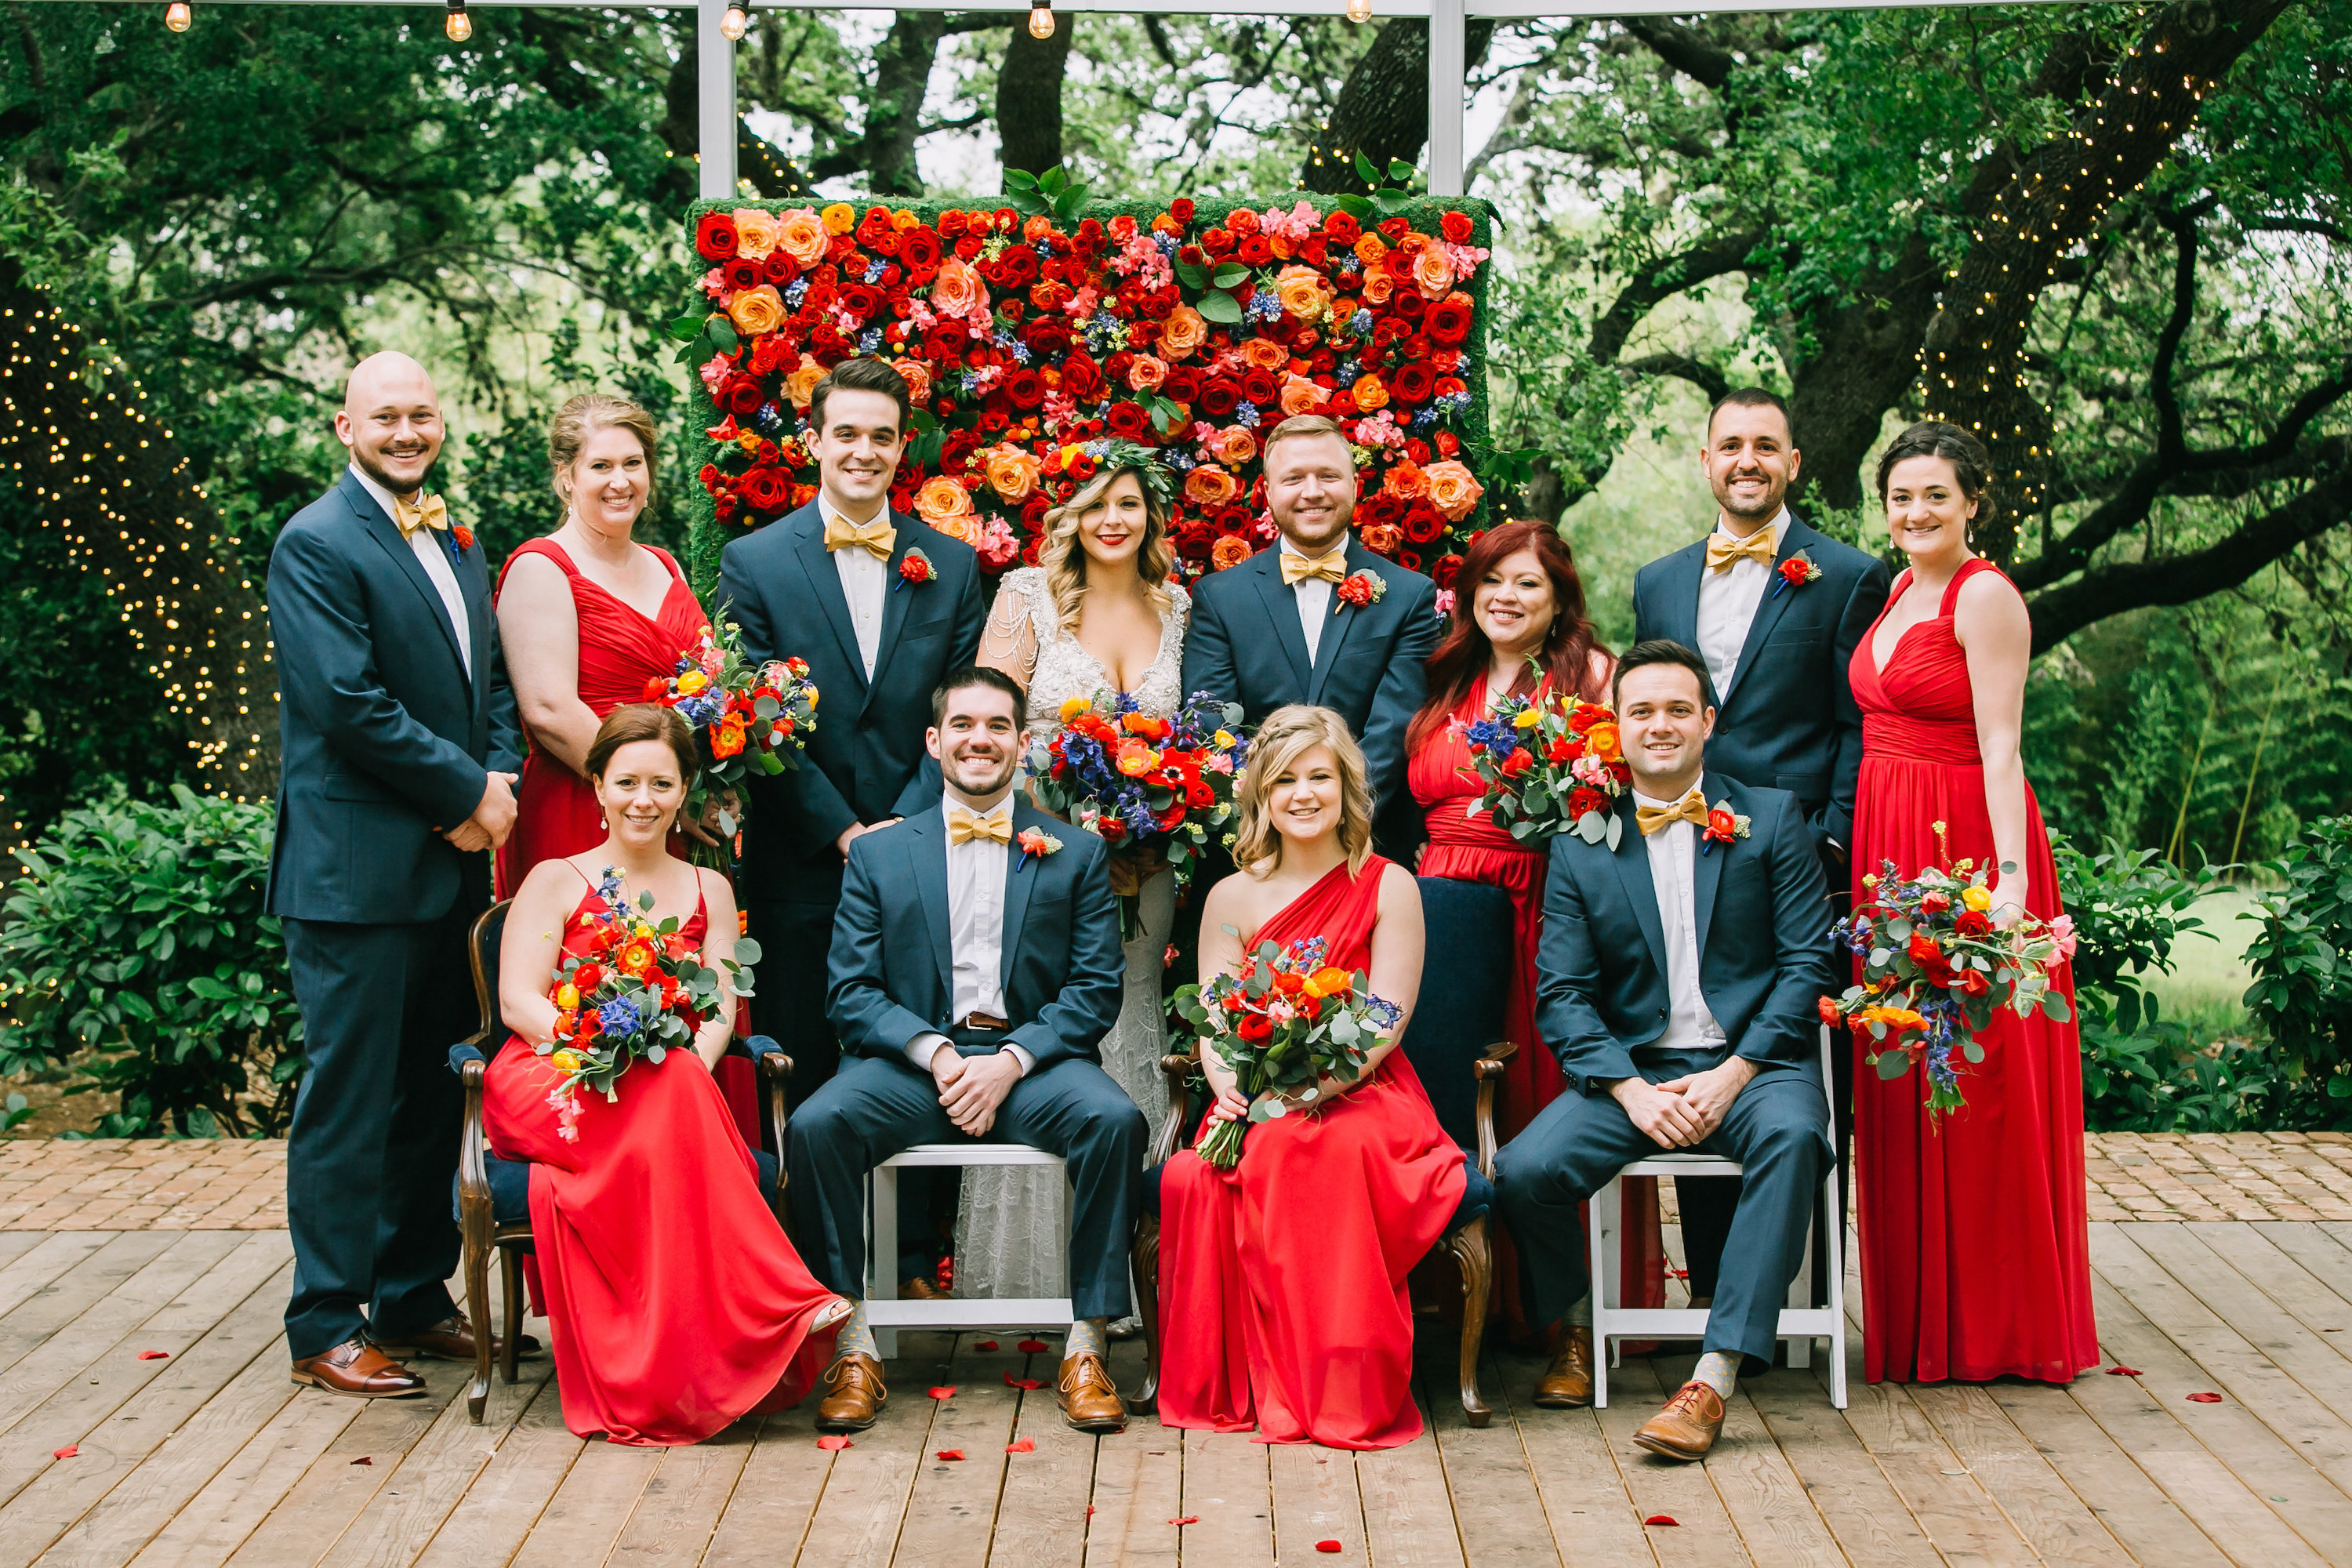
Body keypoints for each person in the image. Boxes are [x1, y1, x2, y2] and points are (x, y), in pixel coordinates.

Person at [1495, 641, 1835, 1462]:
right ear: (1615, 727)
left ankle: (1711, 1379)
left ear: (1708, 721)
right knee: (1522, 1171)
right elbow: (1563, 994)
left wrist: (1737, 1069)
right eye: (1641, 710)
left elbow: (1807, 964)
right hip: (1636, 1073)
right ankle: (1574, 1327)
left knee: (1795, 1139)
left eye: (1678, 708)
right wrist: (1629, 1090)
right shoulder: (1581, 842)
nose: (1660, 724)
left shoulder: (1773, 818)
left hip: (1753, 1067)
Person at [789, 668, 1145, 1436]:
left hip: (1032, 1068)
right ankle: (851, 1344)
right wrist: (936, 1054)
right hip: (912, 1069)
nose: (978, 738)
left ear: (1023, 741)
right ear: (935, 739)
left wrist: (1010, 1059)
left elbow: (1093, 991)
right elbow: (850, 991)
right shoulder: (881, 855)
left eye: (995, 725)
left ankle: (1086, 1343)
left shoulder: (1077, 853)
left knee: (1115, 1119)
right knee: (817, 1125)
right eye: (961, 724)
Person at [481, 705, 851, 1444]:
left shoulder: (711, 890)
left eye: (661, 782)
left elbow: (717, 1011)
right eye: (626, 782)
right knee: (672, 1084)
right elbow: (519, 1000)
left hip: (664, 1080)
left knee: (680, 1076)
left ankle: (693, 1357)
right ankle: (783, 1295)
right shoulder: (554, 879)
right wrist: (600, 1046)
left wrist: (671, 1057)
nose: (642, 799)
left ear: (686, 791)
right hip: (554, 1071)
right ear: (597, 787)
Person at [268, 351, 526, 1396]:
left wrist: (498, 775)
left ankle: (413, 1294)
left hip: (449, 872)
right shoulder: (316, 543)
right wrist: (467, 795)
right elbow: (348, 703)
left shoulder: (456, 536)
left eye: (422, 414)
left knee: (431, 1091)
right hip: (356, 877)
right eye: (387, 417)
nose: (408, 432)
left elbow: (489, 683)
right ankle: (324, 1318)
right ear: (345, 427)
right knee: (349, 1097)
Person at [717, 356, 985, 1295]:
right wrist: (843, 833)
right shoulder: (753, 561)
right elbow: (753, 718)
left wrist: (905, 831)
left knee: (921, 1054)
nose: (863, 450)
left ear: (902, 446)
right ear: (815, 443)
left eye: (881, 435)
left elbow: (961, 709)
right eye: (847, 434)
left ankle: (915, 1262)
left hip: (926, 862)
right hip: (802, 858)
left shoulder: (950, 567)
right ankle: (811, 1276)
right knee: (806, 1058)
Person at [1630, 387, 1889, 1308]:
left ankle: (1800, 1298)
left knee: (1788, 1071)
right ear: (1706, 461)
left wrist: (1832, 837)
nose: (1747, 459)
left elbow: (1859, 722)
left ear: (1793, 464)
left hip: (1791, 858)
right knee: (1697, 1041)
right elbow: (1650, 711)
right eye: (1730, 444)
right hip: (1685, 848)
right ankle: (1715, 1301)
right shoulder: (1658, 580)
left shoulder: (1850, 572)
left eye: (1765, 445)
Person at [1849, 421, 2095, 1385]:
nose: (1916, 512)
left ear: (1973, 504)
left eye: (1935, 497)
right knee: (1904, 1064)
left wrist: (2013, 886)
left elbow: (2002, 744)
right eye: (1902, 497)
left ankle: (1995, 1318)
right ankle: (1920, 1315)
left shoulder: (1986, 593)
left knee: (1980, 1079)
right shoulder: (1900, 588)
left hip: (1960, 842)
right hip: (1887, 841)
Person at [1157, 705, 1467, 1450]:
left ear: (1347, 787)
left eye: (1319, 777)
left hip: (1364, 1092)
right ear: (1262, 792)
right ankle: (1254, 1382)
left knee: (1307, 1149)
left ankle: (1335, 1382)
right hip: (1252, 1095)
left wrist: (1300, 1094)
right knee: (1191, 1178)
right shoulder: (1229, 896)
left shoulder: (1389, 885)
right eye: (1285, 779)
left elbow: (1386, 1020)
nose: (1303, 794)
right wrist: (1229, 1084)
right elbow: (1214, 1015)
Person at [1403, 520, 1665, 1356]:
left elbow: (1623, 803)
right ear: (1469, 593)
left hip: (1547, 901)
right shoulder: (1448, 677)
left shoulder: (1592, 677)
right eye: (1492, 581)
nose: (1506, 598)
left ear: (1559, 601)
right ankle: (1465, 1300)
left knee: (1547, 1097)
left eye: (1528, 584)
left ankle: (1571, 1322)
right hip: (1443, 907)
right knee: (1455, 1095)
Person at [493, 394, 760, 1145]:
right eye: (599, 465)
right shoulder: (541, 569)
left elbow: (706, 692)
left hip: (679, 814)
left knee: (692, 988)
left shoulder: (667, 565)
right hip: (589, 805)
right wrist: (653, 793)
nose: (619, 481)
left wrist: (704, 785)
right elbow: (548, 709)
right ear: (564, 477)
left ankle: (696, 1156)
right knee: (601, 980)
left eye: (633, 464)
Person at [968, 449, 1189, 1308]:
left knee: (1132, 1016)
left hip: (1148, 865)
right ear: (1069, 514)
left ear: (1150, 516)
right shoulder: (1025, 596)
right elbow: (989, 722)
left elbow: (1193, 743)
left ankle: (1127, 1281)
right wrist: (1054, 826)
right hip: (1040, 858)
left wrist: (1156, 813)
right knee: (1046, 1024)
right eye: (1096, 503)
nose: (1113, 520)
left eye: (1129, 503)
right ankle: (1030, 1267)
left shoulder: (1177, 605)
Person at [1181, 414, 1440, 857]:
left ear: (1356, 484)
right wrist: (1276, 820)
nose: (1313, 492)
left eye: (1328, 476)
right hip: (1252, 849)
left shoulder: (1409, 596)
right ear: (1267, 491)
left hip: (1368, 845)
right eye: (1294, 478)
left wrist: (1337, 821)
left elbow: (1397, 728)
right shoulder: (1219, 597)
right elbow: (1214, 725)